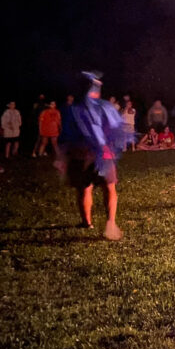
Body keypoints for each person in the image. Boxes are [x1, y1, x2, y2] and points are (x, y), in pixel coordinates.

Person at [56, 71, 134, 240]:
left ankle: (87, 223)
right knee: (109, 188)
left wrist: (63, 155)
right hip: (102, 153)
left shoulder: (72, 110)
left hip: (80, 155)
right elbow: (116, 129)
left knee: (85, 188)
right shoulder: (105, 106)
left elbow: (65, 135)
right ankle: (111, 222)